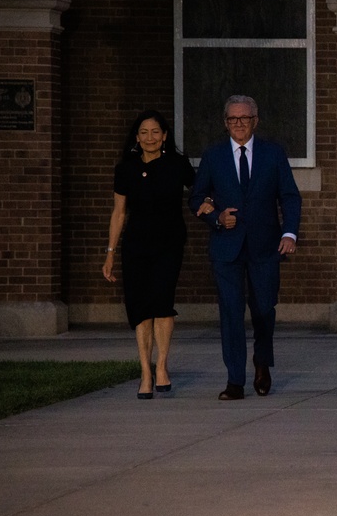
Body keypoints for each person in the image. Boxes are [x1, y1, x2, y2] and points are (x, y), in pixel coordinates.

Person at [189, 95, 301, 400]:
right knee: (231, 312)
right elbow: (197, 198)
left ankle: (262, 361)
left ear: (255, 121)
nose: (239, 124)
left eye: (245, 118)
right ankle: (235, 380)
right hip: (227, 248)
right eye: (233, 119)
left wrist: (289, 233)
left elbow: (289, 196)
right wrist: (216, 217)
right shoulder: (213, 156)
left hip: (266, 246)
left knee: (264, 309)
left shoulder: (273, 154)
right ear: (226, 123)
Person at [103, 109, 196, 399]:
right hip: (136, 246)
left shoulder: (178, 165)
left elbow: (202, 191)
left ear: (165, 135)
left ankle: (163, 367)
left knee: (162, 303)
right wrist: (109, 254)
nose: (150, 137)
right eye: (143, 132)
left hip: (169, 243)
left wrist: (209, 204)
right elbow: (119, 213)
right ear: (136, 137)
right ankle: (145, 372)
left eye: (155, 132)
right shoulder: (126, 169)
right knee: (140, 308)